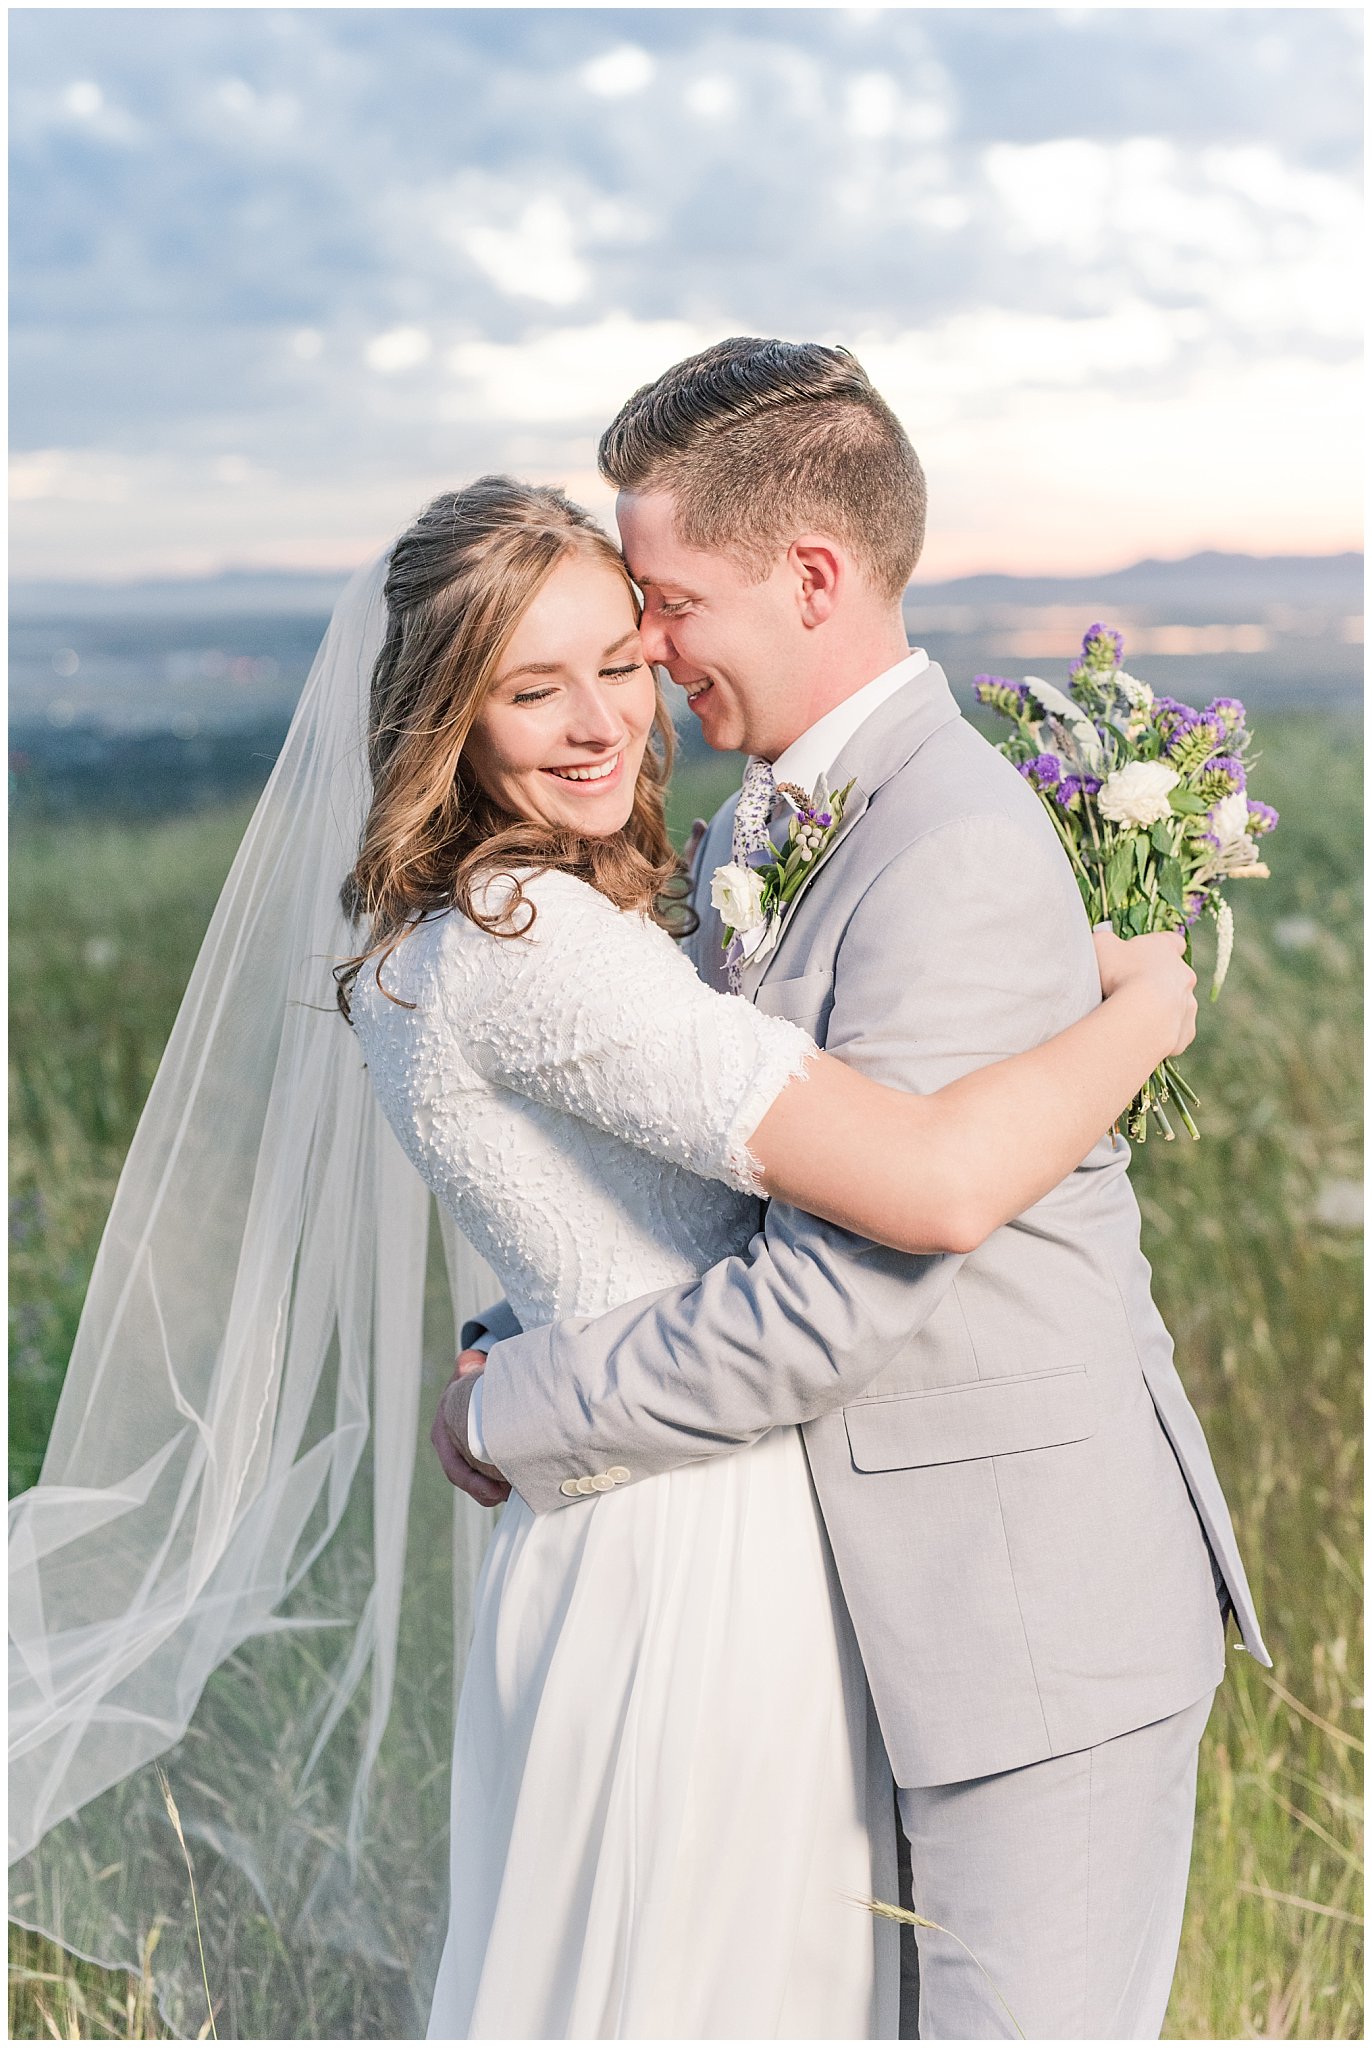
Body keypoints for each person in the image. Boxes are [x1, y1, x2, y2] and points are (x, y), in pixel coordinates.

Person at [434, 340, 1272, 2041]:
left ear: (811, 576)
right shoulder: (781, 819)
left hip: (1026, 1629)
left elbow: (832, 1296)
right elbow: (698, 1201)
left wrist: (515, 1405)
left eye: (664, 604)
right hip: (873, 1614)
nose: (644, 656)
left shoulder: (947, 844)